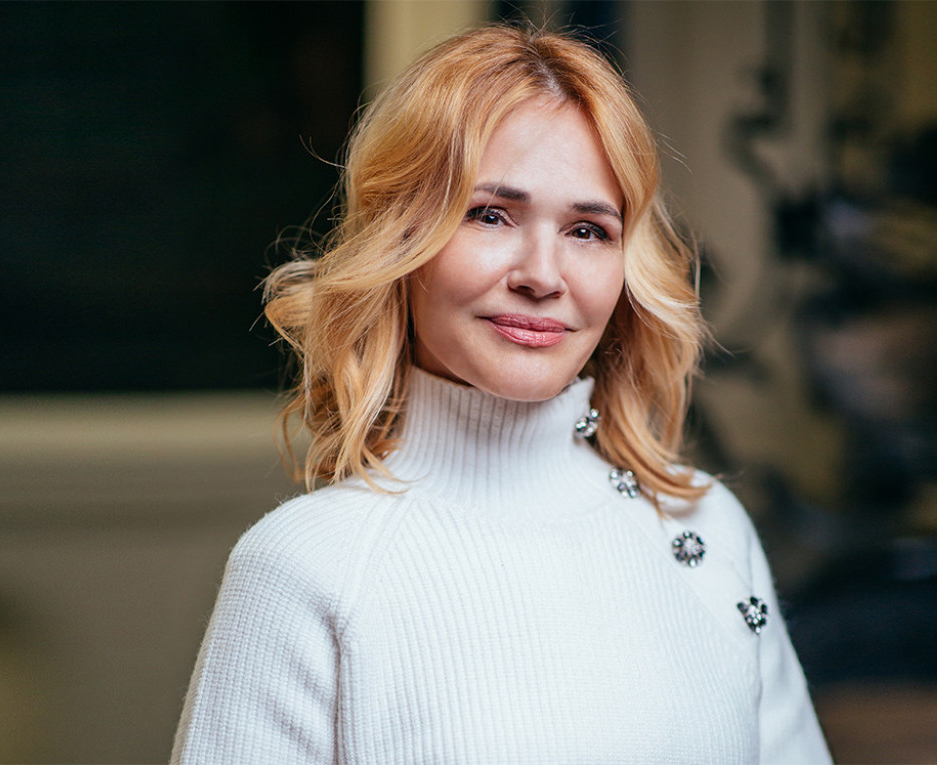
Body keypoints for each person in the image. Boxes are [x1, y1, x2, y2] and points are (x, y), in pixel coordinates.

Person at [171, 25, 831, 764]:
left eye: (588, 230)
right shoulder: (304, 567)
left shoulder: (708, 527)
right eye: (490, 214)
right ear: (402, 239)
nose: (542, 275)